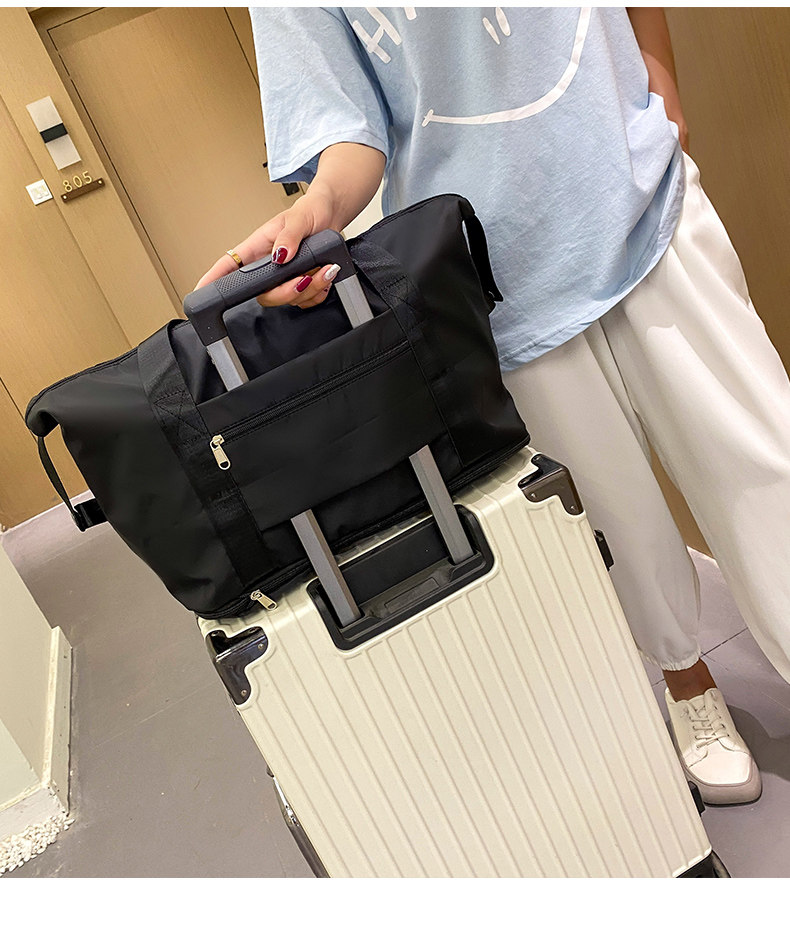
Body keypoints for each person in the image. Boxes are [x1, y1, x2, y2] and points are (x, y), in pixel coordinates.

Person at [197, 7, 790, 805]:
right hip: (495, 267)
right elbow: (350, 128)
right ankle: (688, 682)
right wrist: (320, 208)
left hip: (641, 189)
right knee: (614, 511)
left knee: (765, 455)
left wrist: (660, 77)